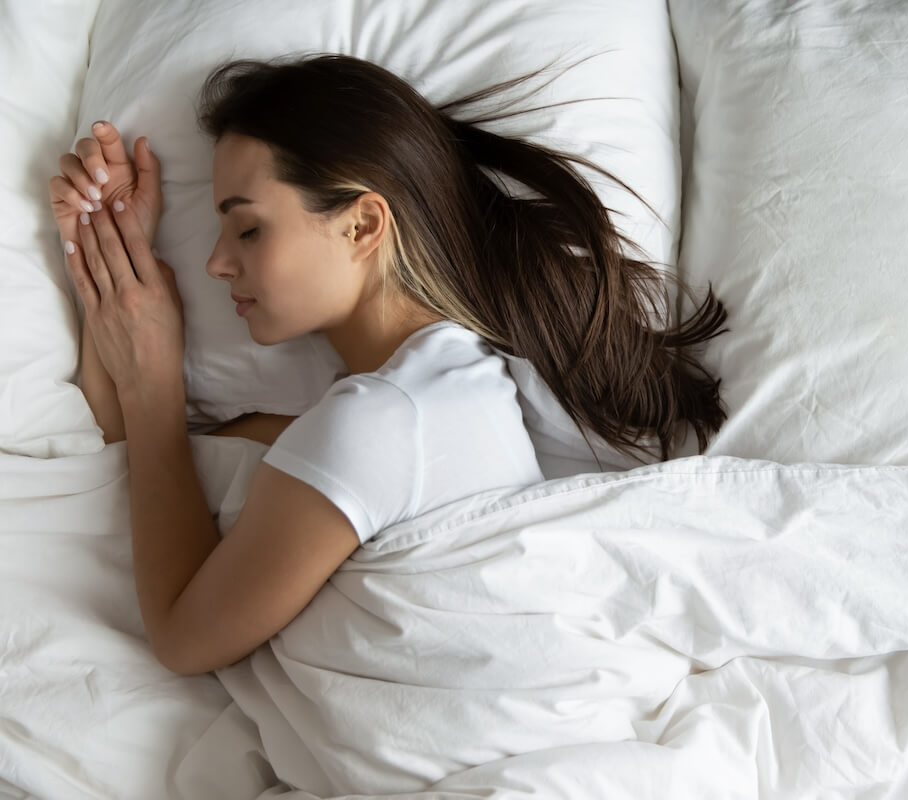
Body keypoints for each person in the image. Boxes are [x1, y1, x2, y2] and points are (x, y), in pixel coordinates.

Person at [46, 54, 727, 677]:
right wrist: (104, 257)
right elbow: (135, 452)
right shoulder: (424, 394)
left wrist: (157, 384)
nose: (217, 263)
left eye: (248, 228)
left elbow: (182, 639)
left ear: (363, 226)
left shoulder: (384, 422)